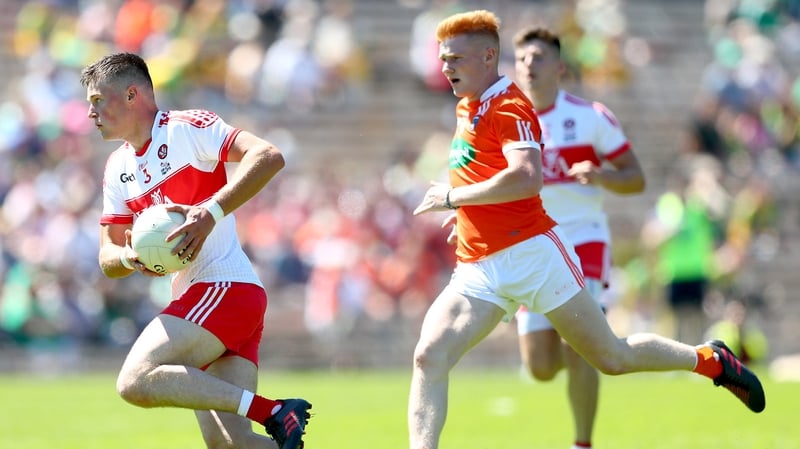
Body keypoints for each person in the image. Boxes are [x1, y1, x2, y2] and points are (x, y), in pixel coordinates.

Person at [408, 10, 765, 449]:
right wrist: (464, 214)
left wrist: (452, 198)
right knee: (429, 356)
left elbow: (527, 177)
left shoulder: (511, 105)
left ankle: (709, 360)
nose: (444, 67)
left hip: (536, 257)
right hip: (480, 266)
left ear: (487, 57)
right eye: (443, 58)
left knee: (611, 357)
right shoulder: (468, 105)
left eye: (455, 59)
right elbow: (481, 174)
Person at [81, 53, 311, 449]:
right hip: (201, 300)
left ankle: (273, 411)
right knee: (232, 446)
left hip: (224, 287)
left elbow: (268, 156)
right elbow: (107, 256)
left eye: (98, 100)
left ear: (132, 94)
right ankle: (272, 419)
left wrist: (210, 212)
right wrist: (130, 257)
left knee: (134, 380)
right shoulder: (117, 167)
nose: (90, 113)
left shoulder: (187, 128)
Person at [511, 26, 646, 449]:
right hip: (533, 244)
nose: (529, 66)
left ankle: (582, 442)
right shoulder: (507, 122)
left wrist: (602, 175)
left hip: (583, 239)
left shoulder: (591, 116)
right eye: (522, 59)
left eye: (538, 58)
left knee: (580, 344)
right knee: (540, 367)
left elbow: (636, 178)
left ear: (560, 66)